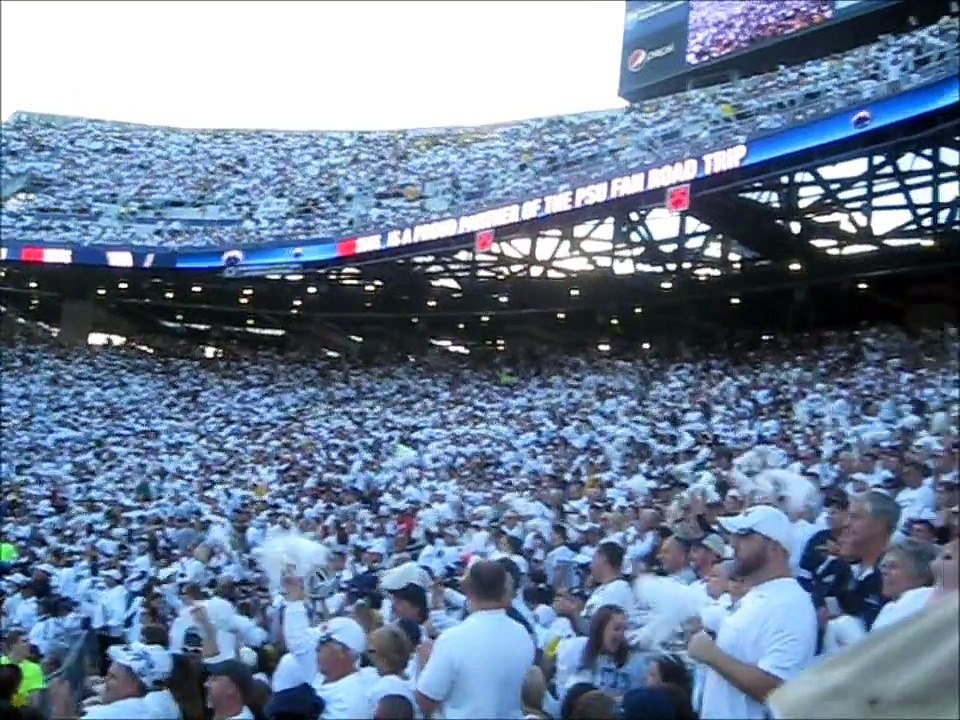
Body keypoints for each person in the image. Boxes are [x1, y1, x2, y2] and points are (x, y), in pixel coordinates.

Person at [689, 505, 817, 719]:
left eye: (745, 536)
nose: (734, 544)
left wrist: (711, 654)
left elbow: (778, 690)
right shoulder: (755, 596)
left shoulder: (790, 604)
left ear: (774, 547)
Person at [416, 560, 535, 719]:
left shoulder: (452, 639)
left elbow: (426, 699)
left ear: (468, 590)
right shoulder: (522, 633)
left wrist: (425, 664)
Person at [555, 605, 647, 703]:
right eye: (616, 629)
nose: (622, 634)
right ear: (600, 629)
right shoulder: (576, 649)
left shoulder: (632, 661)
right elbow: (569, 695)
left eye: (625, 629)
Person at [872, 537, 938, 631]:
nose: (884, 572)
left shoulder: (924, 602)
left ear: (922, 575)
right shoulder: (889, 607)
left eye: (893, 566)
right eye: (883, 566)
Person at [365, 625, 416, 717]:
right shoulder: (413, 682)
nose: (368, 654)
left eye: (370, 650)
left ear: (382, 653)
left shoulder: (382, 689)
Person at [581, 542, 635, 625]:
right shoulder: (604, 588)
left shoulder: (618, 589)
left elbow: (600, 630)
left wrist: (572, 611)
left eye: (594, 559)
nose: (591, 566)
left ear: (603, 560)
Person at [0, 629, 45, 709]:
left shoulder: (35, 669)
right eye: (24, 641)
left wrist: (15, 702)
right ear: (12, 646)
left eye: (28, 641)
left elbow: (34, 702)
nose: (29, 644)